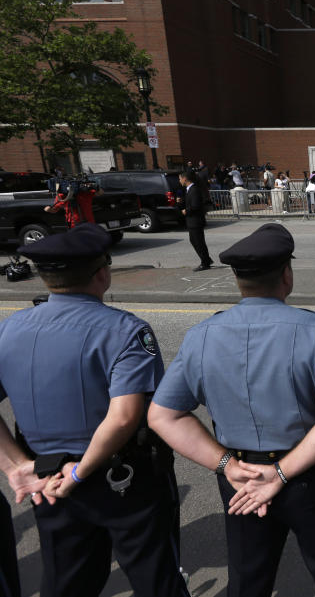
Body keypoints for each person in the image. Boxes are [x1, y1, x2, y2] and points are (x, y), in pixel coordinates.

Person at [148, 224, 315, 597]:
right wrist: (279, 474)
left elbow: (162, 415)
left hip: (240, 479)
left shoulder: (202, 334)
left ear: (236, 278)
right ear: (287, 275)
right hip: (310, 476)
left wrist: (226, 465)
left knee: (248, 581)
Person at [0, 223, 188, 597]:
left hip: (48, 478)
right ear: (102, 273)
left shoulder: (10, 328)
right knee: (156, 579)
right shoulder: (125, 331)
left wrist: (17, 466)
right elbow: (123, 416)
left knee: (68, 581)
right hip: (121, 479)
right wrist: (81, 473)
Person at [180, 170, 213, 271]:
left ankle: (205, 262)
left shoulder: (194, 189)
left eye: (180, 178)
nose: (179, 181)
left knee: (198, 242)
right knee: (195, 241)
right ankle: (206, 260)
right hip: (192, 221)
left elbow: (196, 206)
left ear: (185, 179)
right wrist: (181, 202)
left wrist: (186, 211)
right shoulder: (189, 189)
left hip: (196, 221)